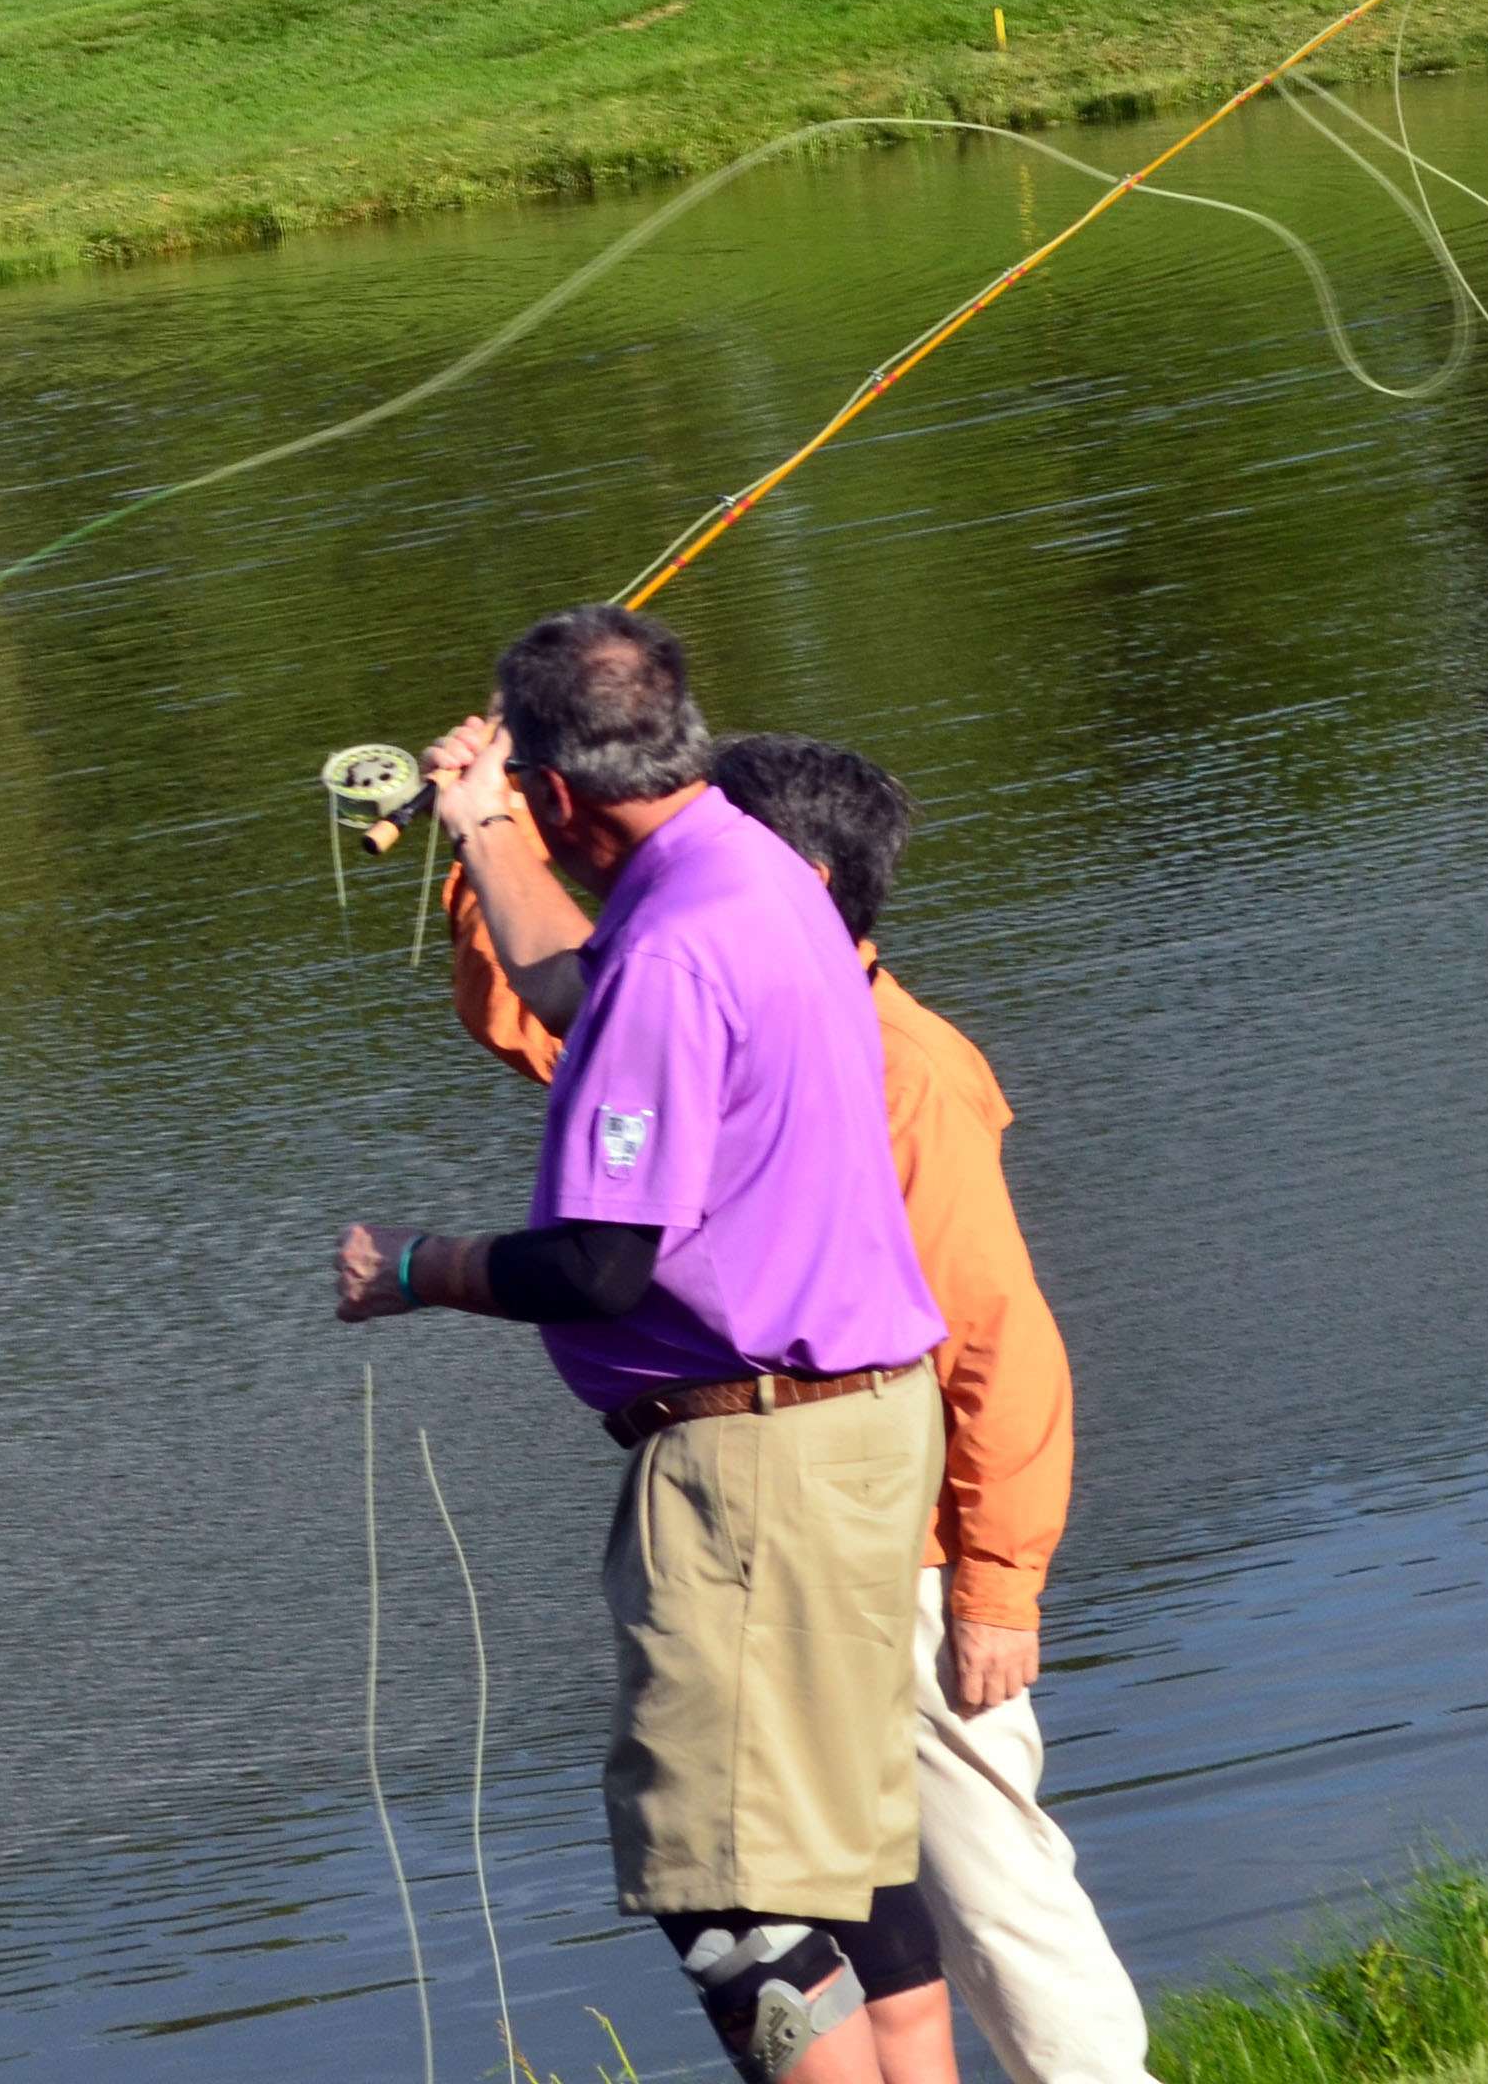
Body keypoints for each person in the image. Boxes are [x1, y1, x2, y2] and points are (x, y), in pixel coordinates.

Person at [437, 722, 1159, 2084]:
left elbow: (1000, 1336)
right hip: (804, 1531)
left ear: (796, 886)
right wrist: (488, 831)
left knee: (996, 1889)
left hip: (917, 1553)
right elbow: (537, 1020)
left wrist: (1001, 1586)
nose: (659, 882)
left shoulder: (904, 1067)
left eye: (694, 854)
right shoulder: (718, 1012)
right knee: (856, 1900)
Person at [330, 606, 949, 2084]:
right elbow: (577, 983)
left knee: (727, 1901)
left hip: (758, 1471)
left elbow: (604, 1267)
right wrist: (482, 826)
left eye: (519, 782)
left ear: (564, 789)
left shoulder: (677, 950)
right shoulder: (756, 871)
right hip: (861, 1435)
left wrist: (415, 1269)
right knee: (843, 1874)